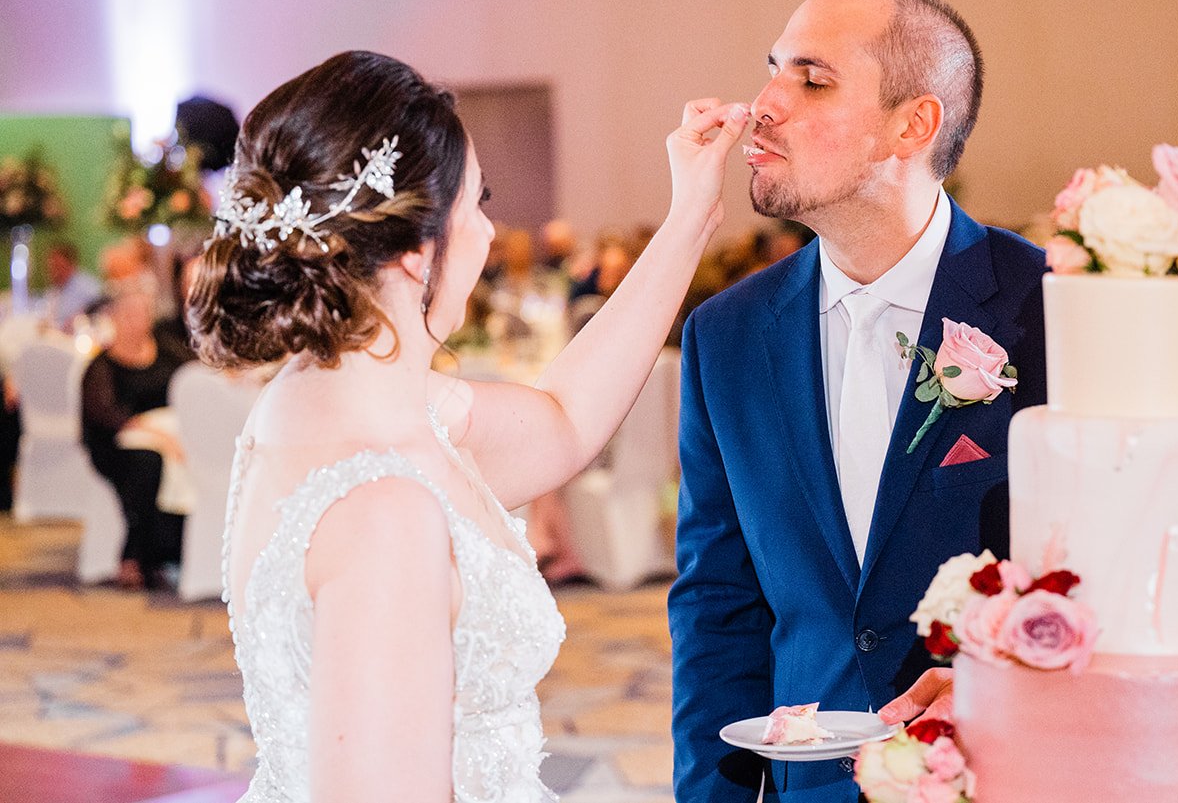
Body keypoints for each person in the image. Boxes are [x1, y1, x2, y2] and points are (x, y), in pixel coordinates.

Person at [186, 51, 744, 802]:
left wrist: (691, 216)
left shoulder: (331, 403)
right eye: (476, 203)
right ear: (419, 252)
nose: (487, 232)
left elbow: (566, 420)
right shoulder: (384, 509)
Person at [669, 0, 1048, 802]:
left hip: (1011, 771)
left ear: (912, 125)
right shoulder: (725, 337)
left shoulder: (1047, 308)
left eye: (811, 79)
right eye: (772, 69)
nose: (763, 103)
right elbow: (717, 605)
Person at [80, 282, 191, 589]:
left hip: (171, 439)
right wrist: (152, 432)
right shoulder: (101, 366)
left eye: (141, 314)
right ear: (113, 318)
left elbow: (195, 377)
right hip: (116, 446)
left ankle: (171, 551)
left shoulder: (166, 350)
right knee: (146, 464)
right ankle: (138, 555)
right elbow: (104, 414)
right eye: (127, 314)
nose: (135, 322)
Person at [43, 241, 102, 332]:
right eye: (51, 266)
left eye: (58, 266)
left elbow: (101, 312)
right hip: (56, 339)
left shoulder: (88, 286)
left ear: (71, 264)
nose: (54, 271)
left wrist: (79, 319)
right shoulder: (54, 290)